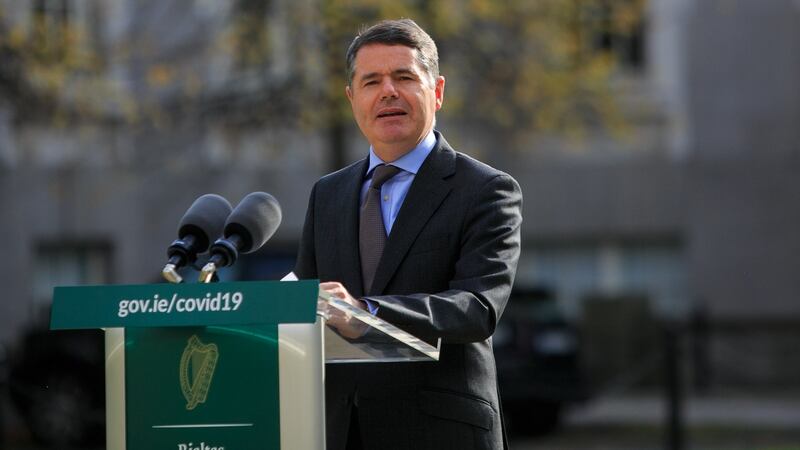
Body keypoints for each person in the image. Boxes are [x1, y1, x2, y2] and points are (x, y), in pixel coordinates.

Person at [294, 18, 522, 450]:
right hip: (342, 432)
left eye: (404, 77)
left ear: (437, 91)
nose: (388, 92)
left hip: (441, 433)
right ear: (352, 98)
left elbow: (477, 307)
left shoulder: (486, 190)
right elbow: (306, 307)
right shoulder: (327, 194)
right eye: (371, 81)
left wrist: (366, 313)